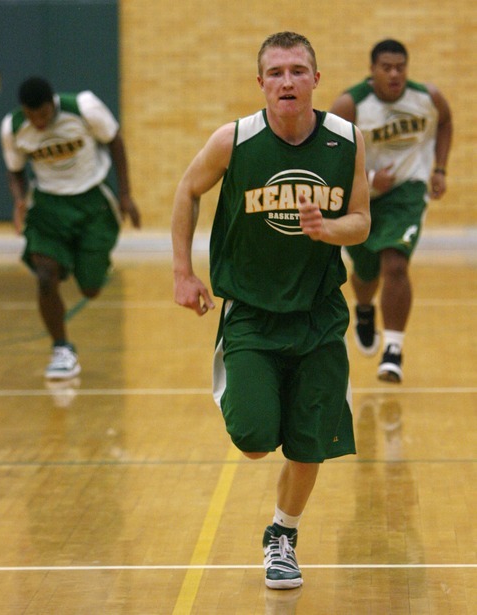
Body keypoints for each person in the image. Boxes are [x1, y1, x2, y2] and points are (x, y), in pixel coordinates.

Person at [171, 32, 370, 589]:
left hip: (319, 315)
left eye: (298, 70)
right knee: (257, 440)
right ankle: (257, 399)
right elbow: (188, 190)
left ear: (316, 79)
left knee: (311, 444)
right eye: (276, 72)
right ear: (261, 83)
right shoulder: (234, 140)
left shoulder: (347, 140)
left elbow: (361, 219)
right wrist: (183, 273)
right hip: (253, 315)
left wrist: (327, 229)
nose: (287, 81)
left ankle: (282, 535)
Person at [0, 77, 140, 380]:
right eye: (32, 115)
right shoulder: (12, 127)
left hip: (91, 201)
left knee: (90, 288)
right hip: (49, 207)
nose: (38, 122)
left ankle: (91, 263)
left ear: (53, 103)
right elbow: (15, 171)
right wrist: (19, 200)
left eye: (43, 114)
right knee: (45, 276)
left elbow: (115, 141)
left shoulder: (84, 107)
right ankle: (61, 349)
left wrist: (126, 194)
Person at [330, 39, 453, 383]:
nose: (395, 73)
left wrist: (439, 168)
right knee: (365, 271)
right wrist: (369, 178)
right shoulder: (350, 104)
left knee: (395, 262)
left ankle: (393, 351)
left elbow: (445, 121)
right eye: (387, 67)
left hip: (408, 192)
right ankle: (365, 309)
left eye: (400, 66)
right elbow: (328, 152)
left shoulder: (427, 97)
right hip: (361, 195)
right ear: (372, 70)